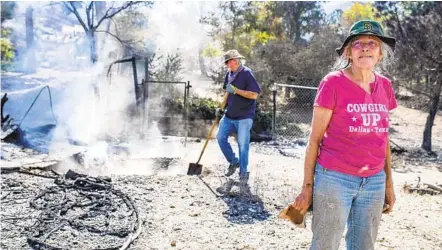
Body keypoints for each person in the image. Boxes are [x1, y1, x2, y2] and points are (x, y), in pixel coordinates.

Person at [292, 20, 397, 250]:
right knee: (325, 245)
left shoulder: (386, 87)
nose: (366, 48)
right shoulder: (333, 83)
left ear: (380, 54)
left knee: (364, 246)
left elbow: (383, 138)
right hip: (334, 178)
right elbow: (314, 139)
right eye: (358, 43)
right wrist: (307, 187)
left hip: (374, 181)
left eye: (373, 43)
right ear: (349, 52)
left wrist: (388, 182)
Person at [216, 49, 261, 191]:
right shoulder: (229, 74)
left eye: (228, 61)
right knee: (220, 137)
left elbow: (254, 95)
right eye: (227, 62)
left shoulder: (246, 73)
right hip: (230, 114)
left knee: (242, 144)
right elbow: (228, 92)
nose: (227, 64)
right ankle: (233, 162)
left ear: (235, 61)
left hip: (244, 116)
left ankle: (243, 173)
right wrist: (221, 107)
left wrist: (236, 90)